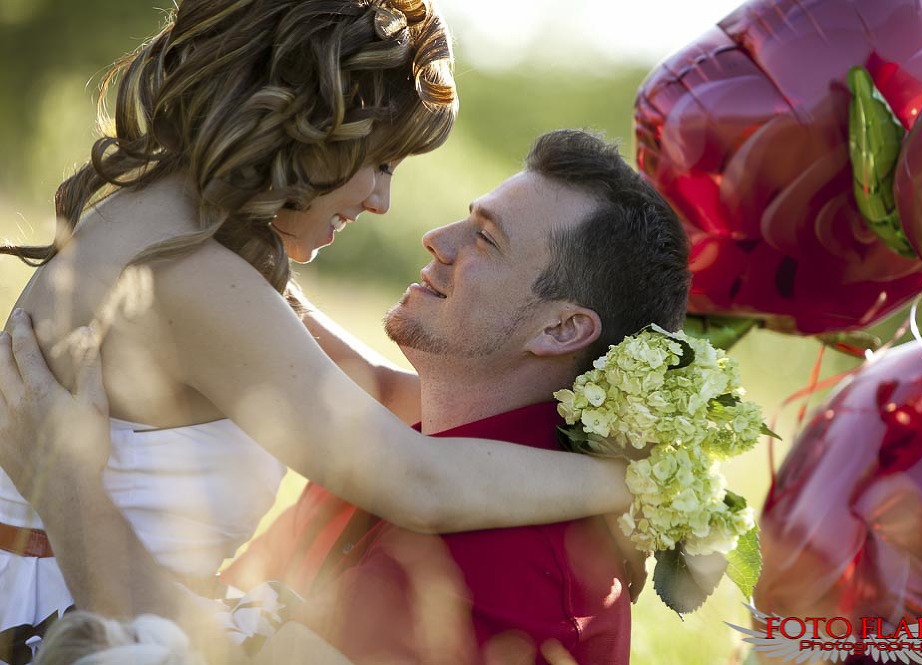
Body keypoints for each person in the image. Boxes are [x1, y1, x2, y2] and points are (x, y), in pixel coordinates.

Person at [0, 0, 632, 661]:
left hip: (144, 612)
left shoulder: (193, 236)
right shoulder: (186, 277)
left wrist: (601, 413)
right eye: (379, 161)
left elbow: (383, 395)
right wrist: (629, 482)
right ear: (305, 126)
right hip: (64, 618)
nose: (382, 200)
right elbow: (415, 481)